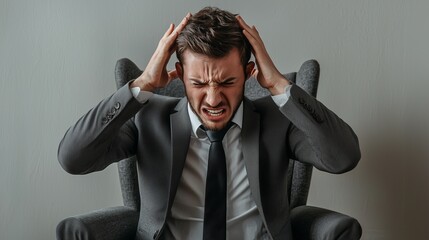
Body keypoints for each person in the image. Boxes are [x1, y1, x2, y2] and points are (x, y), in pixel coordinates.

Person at [58, 6, 360, 240]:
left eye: (227, 81)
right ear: (179, 75)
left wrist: (280, 85)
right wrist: (142, 85)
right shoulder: (148, 118)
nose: (213, 99)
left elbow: (343, 157)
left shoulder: (277, 119)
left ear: (249, 72)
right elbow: (73, 158)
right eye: (198, 83)